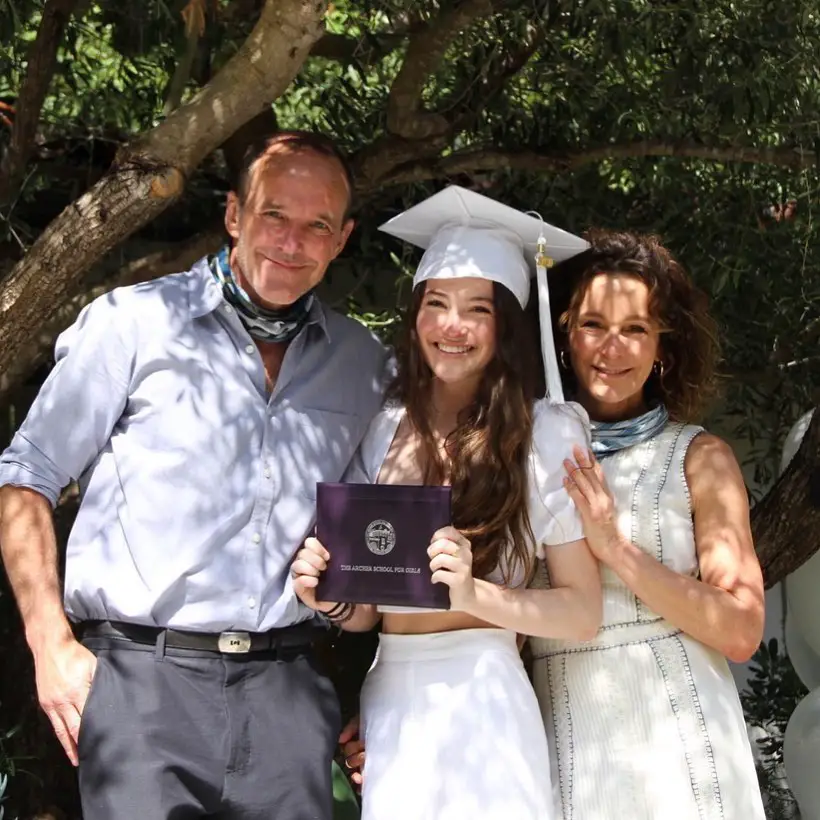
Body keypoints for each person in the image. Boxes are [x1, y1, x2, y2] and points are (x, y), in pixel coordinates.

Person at [0, 131, 390, 820]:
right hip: (142, 687)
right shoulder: (134, 324)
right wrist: (49, 643)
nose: (291, 242)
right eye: (275, 215)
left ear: (342, 238)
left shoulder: (362, 364)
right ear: (235, 214)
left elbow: (372, 547)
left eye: (316, 226)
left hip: (289, 697)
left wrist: (383, 697)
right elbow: (24, 478)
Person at [291, 186, 603, 820]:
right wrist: (329, 598)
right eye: (435, 303)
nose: (451, 327)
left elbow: (582, 612)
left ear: (506, 326)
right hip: (391, 694)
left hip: (484, 697)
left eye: (476, 310)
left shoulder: (543, 433)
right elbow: (368, 613)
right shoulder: (383, 426)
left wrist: (473, 595)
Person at [530, 228, 766, 819]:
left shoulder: (698, 457)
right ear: (562, 333)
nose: (613, 348)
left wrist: (616, 549)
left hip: (679, 737)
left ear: (662, 345)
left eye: (635, 329)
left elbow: (740, 630)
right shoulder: (522, 452)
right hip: (560, 727)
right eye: (593, 325)